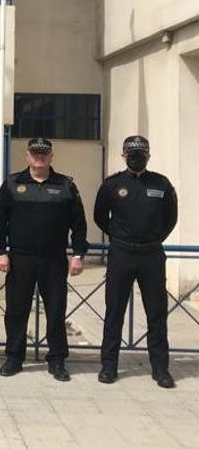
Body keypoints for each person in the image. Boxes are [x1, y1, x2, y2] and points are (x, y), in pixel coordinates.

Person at [0, 138, 87, 381]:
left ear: (51, 157)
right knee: (16, 311)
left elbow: (79, 224)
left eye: (44, 153)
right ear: (27, 156)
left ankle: (57, 360)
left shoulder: (66, 185)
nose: (39, 157)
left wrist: (78, 255)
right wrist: (0, 251)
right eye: (35, 153)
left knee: (55, 310)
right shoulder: (13, 183)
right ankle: (14, 357)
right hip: (20, 258)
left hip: (53, 259)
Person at [94, 135, 177, 388]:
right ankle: (109, 367)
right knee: (114, 312)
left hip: (151, 255)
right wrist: (119, 237)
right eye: (132, 154)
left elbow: (170, 219)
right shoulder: (112, 184)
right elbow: (99, 217)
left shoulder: (161, 184)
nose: (137, 157)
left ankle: (161, 369)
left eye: (141, 153)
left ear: (149, 156)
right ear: (123, 155)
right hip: (122, 255)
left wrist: (152, 238)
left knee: (156, 313)